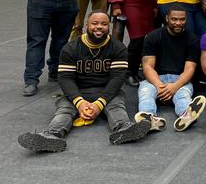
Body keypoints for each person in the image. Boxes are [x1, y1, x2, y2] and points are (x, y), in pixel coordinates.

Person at [17, 12, 150, 152]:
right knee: (65, 110)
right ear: (87, 25)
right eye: (95, 23)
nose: (99, 27)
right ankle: (51, 135)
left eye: (104, 24)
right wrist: (79, 102)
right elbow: (65, 78)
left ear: (109, 27)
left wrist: (99, 104)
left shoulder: (118, 48)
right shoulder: (71, 48)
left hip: (106, 92)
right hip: (78, 91)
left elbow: (117, 79)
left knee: (116, 106)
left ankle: (125, 128)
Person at [136, 5, 206, 131]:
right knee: (145, 92)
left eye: (182, 19)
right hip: (155, 79)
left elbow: (190, 68)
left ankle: (186, 115)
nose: (178, 23)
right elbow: (147, 66)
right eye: (174, 19)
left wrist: (175, 86)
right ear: (167, 18)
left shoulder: (192, 39)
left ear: (186, 19)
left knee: (183, 95)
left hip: (180, 79)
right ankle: (148, 118)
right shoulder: (153, 37)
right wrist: (159, 85)